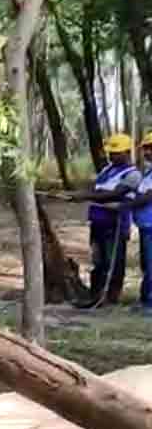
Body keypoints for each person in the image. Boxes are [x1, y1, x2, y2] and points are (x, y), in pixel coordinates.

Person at [68, 133, 141, 306]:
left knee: (113, 262)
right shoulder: (107, 170)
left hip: (114, 224)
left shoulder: (133, 175)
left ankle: (110, 298)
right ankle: (95, 295)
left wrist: (85, 196)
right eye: (111, 152)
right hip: (98, 222)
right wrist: (82, 194)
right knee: (98, 261)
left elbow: (114, 194)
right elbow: (97, 190)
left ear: (126, 152)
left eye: (116, 152)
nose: (112, 156)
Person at [129, 133, 152, 316]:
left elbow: (147, 197)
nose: (147, 152)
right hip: (145, 225)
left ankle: (149, 303)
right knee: (147, 264)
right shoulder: (148, 172)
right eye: (145, 148)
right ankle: (145, 299)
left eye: (150, 148)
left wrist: (125, 204)